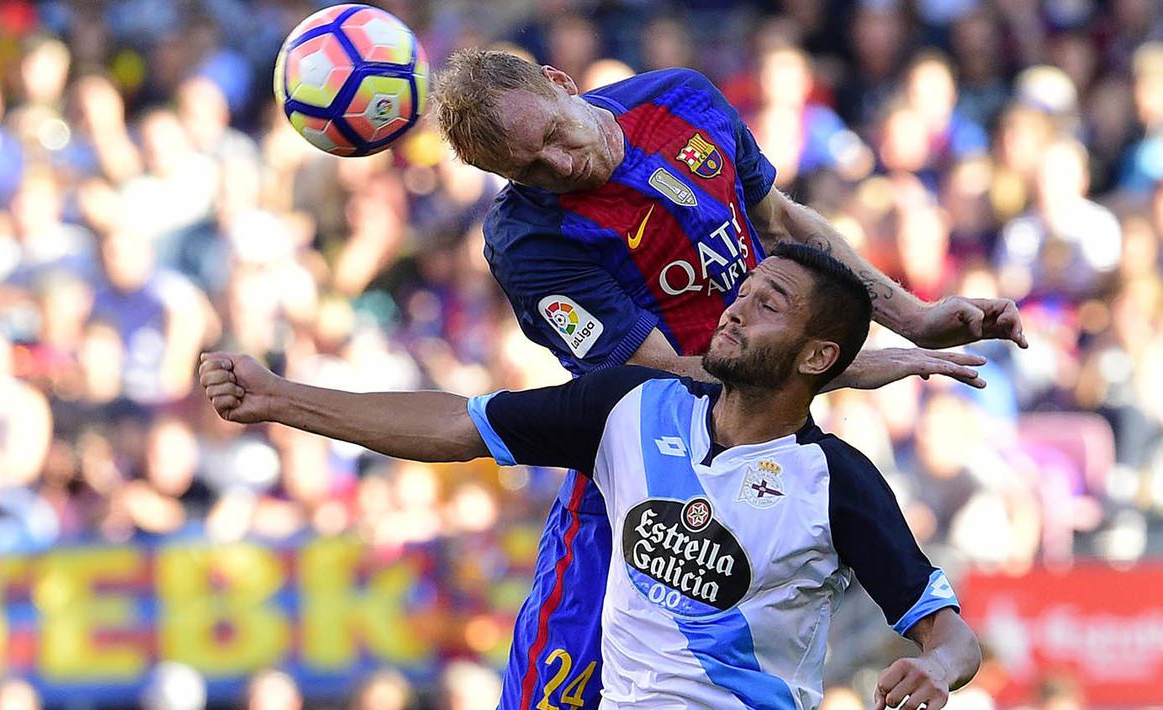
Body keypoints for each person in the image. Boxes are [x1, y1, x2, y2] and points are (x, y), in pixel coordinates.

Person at [431, 49, 1016, 710]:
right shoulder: (528, 242)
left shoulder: (682, 102)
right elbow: (668, 374)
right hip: (632, 477)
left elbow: (783, 224)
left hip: (762, 452)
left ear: (561, 84)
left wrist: (911, 317)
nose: (559, 167)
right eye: (528, 169)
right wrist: (842, 369)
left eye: (551, 138)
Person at [198, 243, 981, 710]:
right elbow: (453, 424)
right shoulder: (631, 407)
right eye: (739, 295)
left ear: (816, 357)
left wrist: (935, 668)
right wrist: (280, 398)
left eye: (767, 305)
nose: (735, 312)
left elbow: (949, 630)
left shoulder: (835, 479)